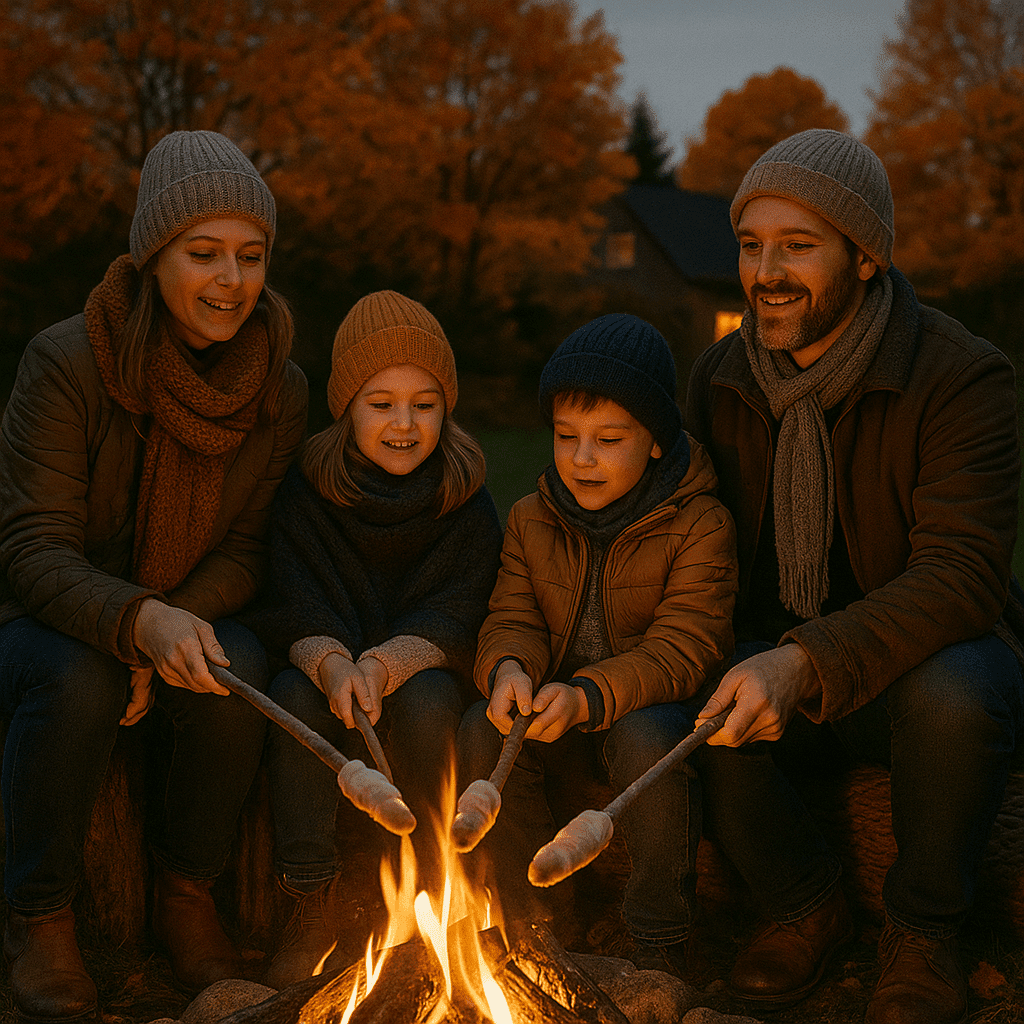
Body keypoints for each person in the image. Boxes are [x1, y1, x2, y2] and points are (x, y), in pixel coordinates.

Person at [685, 128, 1024, 1023]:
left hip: (911, 669)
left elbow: (962, 577)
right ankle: (805, 906)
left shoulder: (961, 378)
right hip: (767, 668)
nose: (766, 273)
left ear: (866, 255)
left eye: (797, 246)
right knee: (689, 677)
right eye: (751, 246)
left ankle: (922, 935)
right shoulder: (720, 378)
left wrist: (805, 662)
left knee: (961, 684)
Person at [0, 129, 308, 1018]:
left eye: (251, 257)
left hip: (177, 611)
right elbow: (30, 549)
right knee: (79, 674)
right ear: (150, 259)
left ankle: (186, 892)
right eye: (203, 254)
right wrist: (136, 625)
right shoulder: (68, 363)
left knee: (237, 665)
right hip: (42, 619)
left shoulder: (277, 388)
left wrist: (173, 627)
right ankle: (38, 916)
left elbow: (248, 551)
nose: (231, 280)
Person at [459, 313, 737, 975]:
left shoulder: (698, 523)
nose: (582, 458)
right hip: (556, 705)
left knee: (648, 741)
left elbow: (686, 646)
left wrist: (590, 697)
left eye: (608, 439)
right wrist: (508, 667)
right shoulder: (533, 517)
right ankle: (534, 920)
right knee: (482, 727)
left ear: (656, 444)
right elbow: (512, 613)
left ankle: (660, 940)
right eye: (566, 437)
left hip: (649, 705)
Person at [248, 289, 503, 989]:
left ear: (446, 409)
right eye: (380, 402)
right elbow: (289, 598)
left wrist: (391, 662)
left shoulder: (464, 497)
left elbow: (465, 606)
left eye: (425, 404)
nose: (404, 423)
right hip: (327, 672)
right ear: (345, 408)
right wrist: (332, 664)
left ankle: (429, 883)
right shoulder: (309, 491)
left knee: (427, 703)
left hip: (418, 672)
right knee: (293, 696)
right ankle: (308, 894)